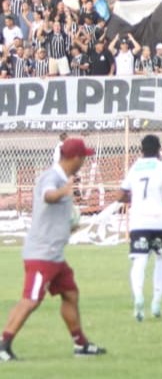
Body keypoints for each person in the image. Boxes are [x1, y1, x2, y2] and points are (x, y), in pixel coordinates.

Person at [0, 138, 107, 362]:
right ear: (75, 158)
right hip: (42, 254)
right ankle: (4, 345)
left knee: (70, 294)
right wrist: (63, 192)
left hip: (55, 255)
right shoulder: (53, 178)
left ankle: (81, 345)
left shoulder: (63, 179)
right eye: (83, 157)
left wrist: (70, 224)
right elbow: (48, 196)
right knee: (30, 300)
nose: (84, 162)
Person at [119, 134, 162, 321]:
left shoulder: (134, 168)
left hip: (139, 221)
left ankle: (138, 297)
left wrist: (130, 198)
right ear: (159, 150)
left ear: (141, 150)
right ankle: (157, 302)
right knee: (160, 258)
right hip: (160, 220)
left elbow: (122, 194)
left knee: (139, 260)